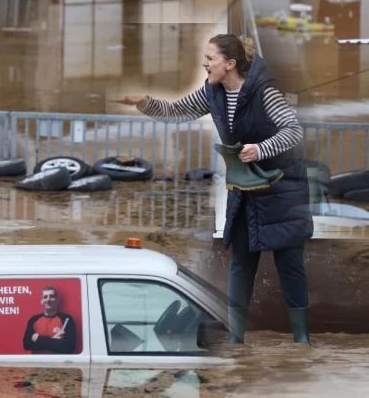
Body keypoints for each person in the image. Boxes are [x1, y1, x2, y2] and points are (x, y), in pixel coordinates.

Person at [113, 34, 313, 345]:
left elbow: (293, 131)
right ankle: (236, 340)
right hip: (246, 188)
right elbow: (176, 111)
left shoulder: (266, 92)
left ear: (230, 64)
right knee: (241, 262)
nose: (205, 63)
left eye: (211, 58)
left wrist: (261, 149)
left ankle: (302, 341)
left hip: (282, 186)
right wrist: (144, 102)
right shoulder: (212, 92)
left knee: (289, 263)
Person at [22, 286, 77, 354]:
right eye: (45, 297)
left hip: (60, 363)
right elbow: (27, 345)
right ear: (41, 301)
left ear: (57, 300)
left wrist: (38, 339)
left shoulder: (66, 319)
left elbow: (69, 347)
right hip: (38, 363)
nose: (48, 299)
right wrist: (54, 340)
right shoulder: (33, 320)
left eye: (51, 296)